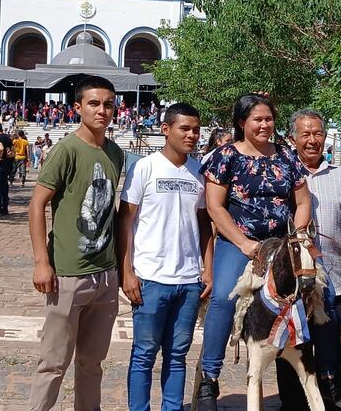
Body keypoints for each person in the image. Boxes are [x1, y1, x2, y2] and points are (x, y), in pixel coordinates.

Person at [196, 93, 313, 411]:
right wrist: (244, 243)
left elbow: (302, 203)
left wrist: (298, 236)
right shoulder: (226, 156)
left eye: (269, 119)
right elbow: (214, 207)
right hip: (238, 243)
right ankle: (210, 377)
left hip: (280, 244)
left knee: (302, 300)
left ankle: (301, 380)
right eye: (257, 119)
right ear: (241, 123)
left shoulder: (287, 156)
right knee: (223, 297)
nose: (264, 125)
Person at [27, 76, 123, 411]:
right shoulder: (66, 150)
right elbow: (37, 204)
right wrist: (42, 261)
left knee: (92, 363)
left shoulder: (115, 153)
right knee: (53, 362)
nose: (102, 110)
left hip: (105, 274)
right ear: (77, 107)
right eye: (94, 103)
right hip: (68, 272)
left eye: (108, 104)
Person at [117, 103, 214, 411]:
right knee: (144, 353)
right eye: (184, 128)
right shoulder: (144, 168)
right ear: (165, 129)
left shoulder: (199, 172)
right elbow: (125, 221)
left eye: (196, 129)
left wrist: (207, 270)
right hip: (150, 278)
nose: (192, 135)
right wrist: (127, 271)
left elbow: (204, 224)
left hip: (187, 280)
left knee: (177, 354)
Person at [276, 109, 341, 410]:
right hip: (292, 281)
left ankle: (336, 397)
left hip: (337, 276)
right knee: (292, 345)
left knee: (336, 345)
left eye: (318, 133)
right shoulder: (281, 174)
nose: (312, 140)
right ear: (292, 138)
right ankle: (292, 402)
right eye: (305, 134)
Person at [0, 122, 14, 215]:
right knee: (5, 187)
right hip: (7, 165)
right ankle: (5, 208)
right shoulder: (7, 138)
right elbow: (13, 151)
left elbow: (0, 148)